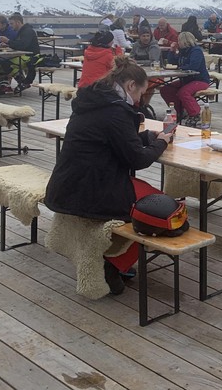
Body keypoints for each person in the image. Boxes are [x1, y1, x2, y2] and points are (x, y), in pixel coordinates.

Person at [43, 58, 173, 294]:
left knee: (147, 196)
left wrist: (146, 139)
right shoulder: (116, 111)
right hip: (92, 190)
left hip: (68, 184)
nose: (140, 101)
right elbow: (137, 160)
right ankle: (113, 264)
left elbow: (111, 141)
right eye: (141, 94)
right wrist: (162, 142)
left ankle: (117, 262)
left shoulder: (94, 101)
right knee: (161, 207)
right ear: (131, 85)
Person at [159, 32, 211, 125]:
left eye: (179, 40)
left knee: (183, 92)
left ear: (184, 41)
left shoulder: (196, 51)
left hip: (199, 80)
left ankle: (195, 114)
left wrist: (180, 68)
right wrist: (172, 50)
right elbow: (172, 61)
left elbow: (193, 66)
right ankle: (178, 111)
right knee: (165, 89)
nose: (177, 42)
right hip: (186, 80)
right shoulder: (183, 51)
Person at [0, 12, 42, 93]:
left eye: (12, 23)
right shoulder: (22, 31)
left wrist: (8, 41)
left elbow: (22, 45)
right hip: (24, 55)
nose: (10, 26)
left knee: (5, 64)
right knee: (2, 62)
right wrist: (7, 45)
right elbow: (18, 44)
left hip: (31, 57)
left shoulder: (27, 31)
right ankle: (22, 82)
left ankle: (23, 82)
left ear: (18, 22)